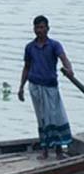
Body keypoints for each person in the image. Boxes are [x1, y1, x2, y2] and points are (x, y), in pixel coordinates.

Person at [18, 15, 74, 158]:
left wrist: (69, 69)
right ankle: (45, 150)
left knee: (55, 117)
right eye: (37, 27)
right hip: (35, 87)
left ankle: (59, 150)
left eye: (42, 27)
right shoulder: (30, 47)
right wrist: (21, 87)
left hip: (50, 87)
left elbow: (64, 58)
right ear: (34, 29)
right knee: (42, 118)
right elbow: (26, 67)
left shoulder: (54, 45)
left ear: (47, 29)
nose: (39, 30)